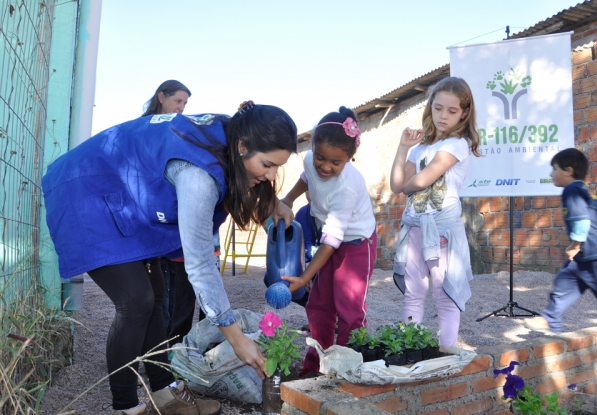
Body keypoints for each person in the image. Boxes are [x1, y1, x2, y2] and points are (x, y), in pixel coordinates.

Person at [42, 101, 297, 415]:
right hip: (85, 190)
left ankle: (165, 394)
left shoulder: (236, 136)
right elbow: (201, 264)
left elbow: (246, 182)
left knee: (156, 294)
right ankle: (126, 407)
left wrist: (275, 205)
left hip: (127, 198)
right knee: (135, 301)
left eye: (277, 168)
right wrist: (236, 338)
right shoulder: (198, 176)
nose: (271, 176)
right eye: (268, 165)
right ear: (243, 147)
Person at [280, 106, 377, 375]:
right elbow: (306, 176)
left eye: (336, 162)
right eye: (321, 158)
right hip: (330, 239)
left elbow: (332, 242)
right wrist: (288, 199)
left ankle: (348, 368)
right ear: (312, 148)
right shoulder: (311, 160)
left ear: (349, 158)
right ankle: (316, 366)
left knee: (349, 306)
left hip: (357, 243)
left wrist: (303, 278)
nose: (325, 166)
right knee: (319, 304)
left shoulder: (346, 187)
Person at [390, 76, 479, 348]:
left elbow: (421, 180)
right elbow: (397, 184)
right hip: (416, 228)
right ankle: (408, 347)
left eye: (452, 111)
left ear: (464, 113)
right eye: (438, 108)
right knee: (413, 293)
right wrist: (403, 147)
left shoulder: (457, 144)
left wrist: (407, 184)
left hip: (441, 231)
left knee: (445, 295)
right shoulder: (420, 148)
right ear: (430, 107)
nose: (443, 116)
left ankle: (447, 350)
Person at [525, 148, 597, 333]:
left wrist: (575, 245)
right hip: (590, 254)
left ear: (568, 170)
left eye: (554, 169)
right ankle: (550, 318)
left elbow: (582, 220)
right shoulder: (583, 190)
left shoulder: (571, 190)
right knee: (564, 281)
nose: (551, 174)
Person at [142, 80, 194, 336]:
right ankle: (156, 347)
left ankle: (176, 345)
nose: (182, 108)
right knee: (154, 291)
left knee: (181, 286)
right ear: (161, 96)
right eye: (178, 101)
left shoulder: (179, 131)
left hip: (175, 218)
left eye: (185, 103)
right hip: (150, 219)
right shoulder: (142, 128)